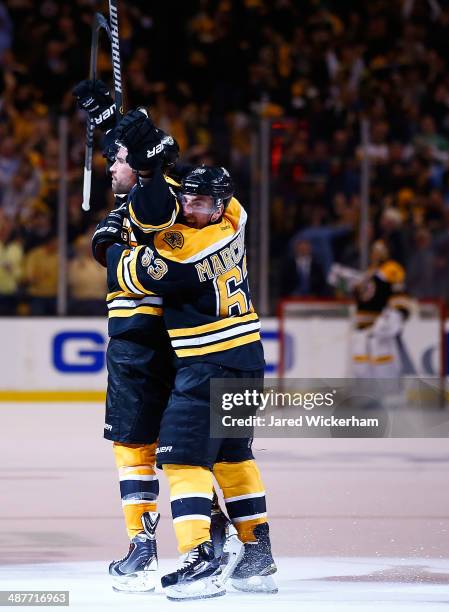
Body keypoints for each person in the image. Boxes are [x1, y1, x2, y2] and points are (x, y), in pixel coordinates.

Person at [94, 108, 277, 600]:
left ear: (216, 205)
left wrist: (116, 247)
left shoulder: (183, 244)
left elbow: (133, 269)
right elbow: (165, 196)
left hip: (204, 363)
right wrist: (131, 137)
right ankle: (257, 552)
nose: (189, 206)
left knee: (178, 459)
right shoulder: (234, 215)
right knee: (233, 452)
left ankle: (198, 558)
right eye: (188, 198)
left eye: (199, 202)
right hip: (242, 357)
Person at [74, 82, 234, 594]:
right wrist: (113, 128)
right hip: (144, 345)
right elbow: (140, 189)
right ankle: (155, 544)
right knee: (143, 447)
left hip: (156, 343)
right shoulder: (124, 212)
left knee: (163, 448)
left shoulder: (161, 198)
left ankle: (195, 540)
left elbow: (160, 191)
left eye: (116, 159)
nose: (110, 165)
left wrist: (143, 153)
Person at [350, 240, 412, 379]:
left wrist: (396, 314)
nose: (376, 253)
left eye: (381, 249)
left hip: (380, 325)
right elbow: (363, 296)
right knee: (360, 362)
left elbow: (399, 291)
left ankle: (390, 393)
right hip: (362, 326)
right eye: (374, 249)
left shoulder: (391, 268)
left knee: (382, 359)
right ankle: (367, 394)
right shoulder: (369, 272)